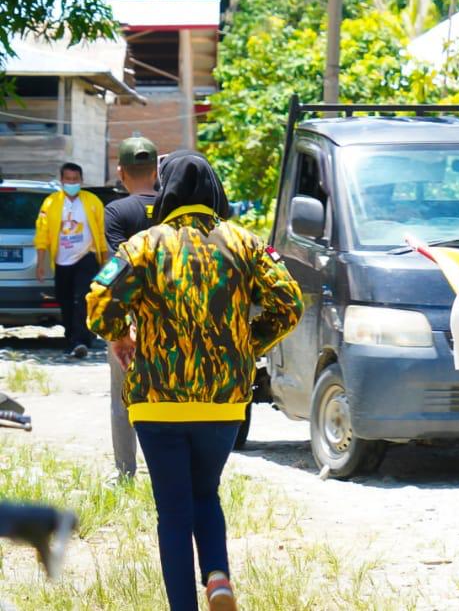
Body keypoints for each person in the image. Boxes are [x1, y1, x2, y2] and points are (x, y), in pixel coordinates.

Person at [86, 151, 304, 611]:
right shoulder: (246, 243)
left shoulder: (141, 246)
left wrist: (121, 336)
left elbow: (99, 301)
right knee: (205, 492)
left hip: (156, 401)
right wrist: (247, 345)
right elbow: (290, 303)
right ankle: (217, 576)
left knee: (172, 510)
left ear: (165, 191)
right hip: (223, 402)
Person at [101, 135, 159, 480]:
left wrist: (117, 326)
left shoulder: (116, 211)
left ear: (121, 172)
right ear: (156, 171)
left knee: (123, 395)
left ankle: (125, 471)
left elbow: (118, 269)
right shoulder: (172, 207)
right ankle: (166, 467)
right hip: (172, 313)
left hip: (132, 315)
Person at [34, 162, 108, 358]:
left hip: (86, 257)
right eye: (68, 179)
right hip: (62, 261)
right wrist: (40, 263)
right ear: (62, 180)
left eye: (75, 179)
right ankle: (73, 337)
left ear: (81, 180)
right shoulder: (51, 203)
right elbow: (42, 234)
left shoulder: (92, 201)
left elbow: (101, 232)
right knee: (65, 300)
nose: (72, 183)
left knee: (82, 299)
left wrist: (104, 259)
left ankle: (79, 340)